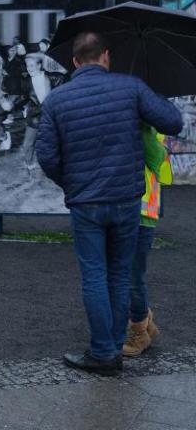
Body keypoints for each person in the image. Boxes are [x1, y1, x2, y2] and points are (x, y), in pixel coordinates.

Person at [36, 31, 182, 376]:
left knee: (94, 276)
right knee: (119, 275)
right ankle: (113, 348)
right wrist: (148, 96)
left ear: (74, 62)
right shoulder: (130, 88)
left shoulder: (57, 100)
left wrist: (70, 181)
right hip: (127, 200)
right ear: (105, 56)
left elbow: (45, 155)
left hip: (86, 203)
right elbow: (173, 121)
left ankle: (103, 353)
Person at [122, 124, 173, 357]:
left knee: (133, 276)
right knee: (125, 275)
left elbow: (156, 158)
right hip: (126, 208)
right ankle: (144, 320)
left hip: (141, 212)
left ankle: (139, 332)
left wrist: (141, 130)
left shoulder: (147, 125)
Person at [18, 53, 63, 171]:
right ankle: (29, 163)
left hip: (51, 115)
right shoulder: (26, 81)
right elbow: (23, 98)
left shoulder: (53, 78)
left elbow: (63, 83)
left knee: (55, 142)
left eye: (32, 66)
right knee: (27, 143)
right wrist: (12, 105)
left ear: (39, 65)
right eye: (28, 66)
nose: (29, 68)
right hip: (35, 115)